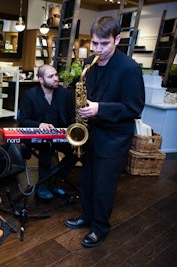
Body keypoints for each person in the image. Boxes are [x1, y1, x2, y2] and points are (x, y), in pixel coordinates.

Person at [64, 16, 145, 248]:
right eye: (95, 43)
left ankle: (100, 228)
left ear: (117, 39)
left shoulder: (129, 69)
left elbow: (134, 108)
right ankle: (87, 216)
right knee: (87, 180)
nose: (98, 49)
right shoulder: (91, 62)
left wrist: (99, 108)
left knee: (104, 185)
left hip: (114, 138)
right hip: (91, 133)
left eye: (104, 44)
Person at [18, 65, 77, 199]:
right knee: (47, 147)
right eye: (51, 76)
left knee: (77, 151)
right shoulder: (30, 95)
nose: (56, 79)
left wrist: (73, 133)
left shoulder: (66, 94)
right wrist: (39, 124)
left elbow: (70, 117)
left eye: (56, 75)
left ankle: (54, 178)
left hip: (60, 135)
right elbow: (23, 120)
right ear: (41, 80)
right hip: (37, 137)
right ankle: (42, 186)